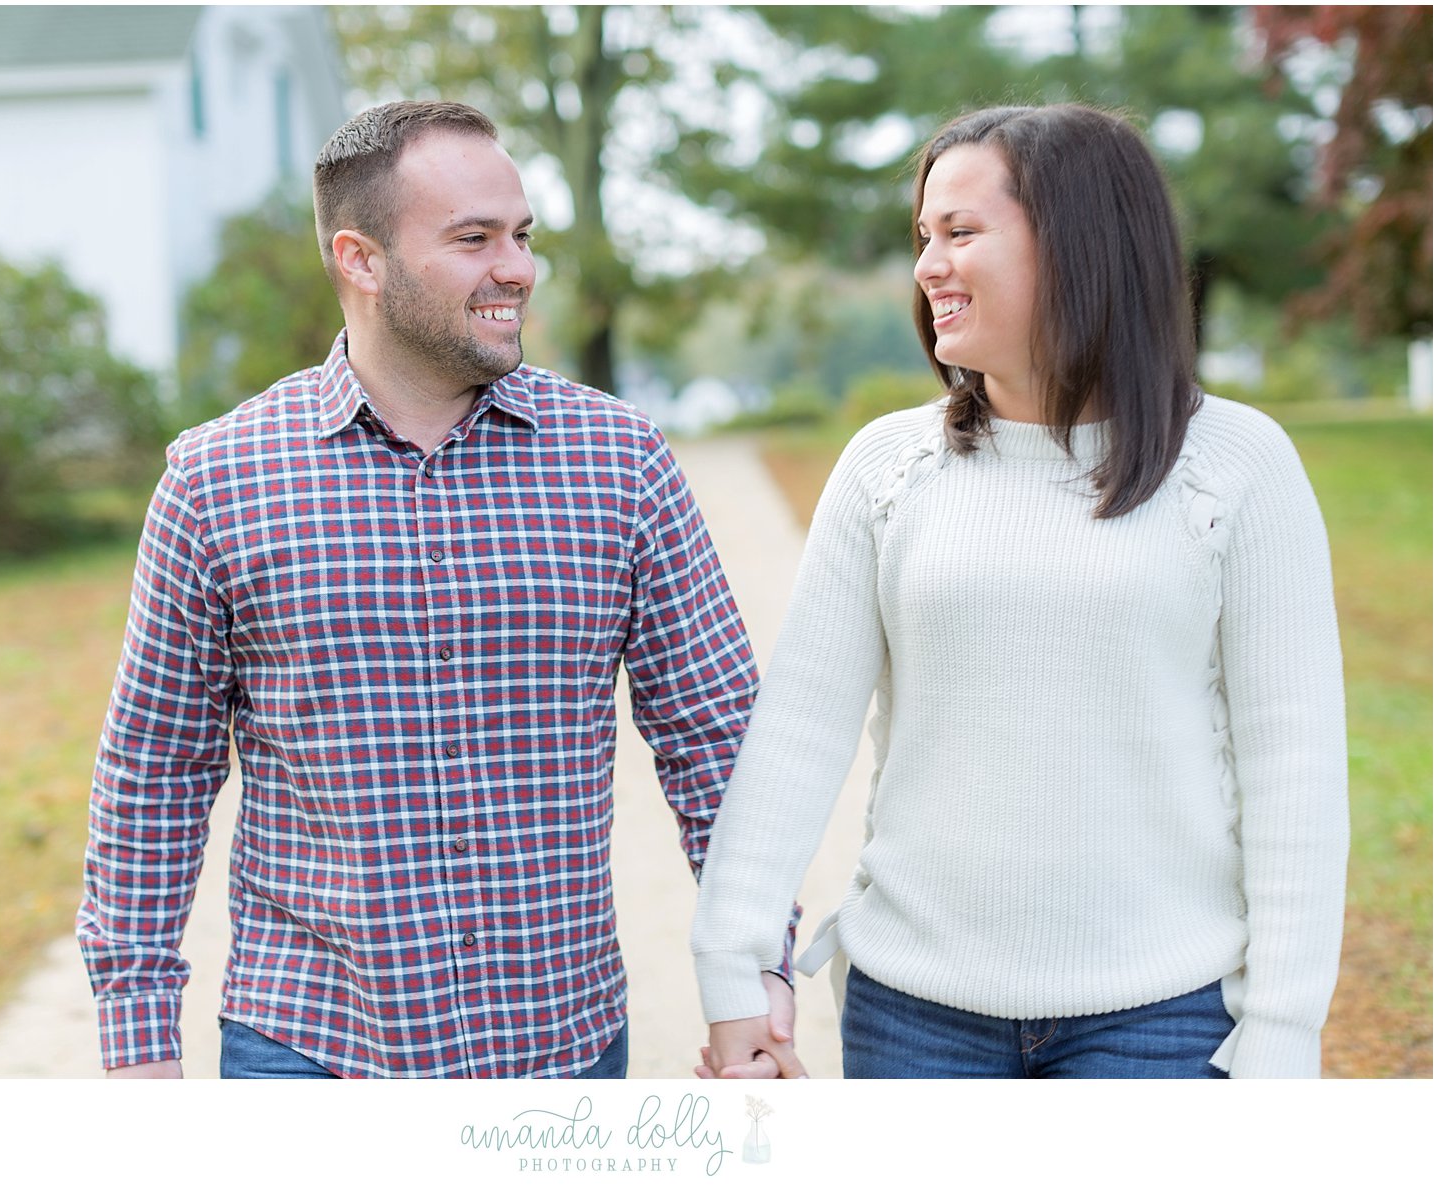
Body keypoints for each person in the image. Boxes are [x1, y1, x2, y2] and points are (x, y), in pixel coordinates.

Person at [77, 100, 794, 1079]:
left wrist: (752, 980)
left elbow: (716, 741)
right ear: (360, 260)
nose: (518, 269)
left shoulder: (620, 463)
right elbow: (154, 770)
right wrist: (137, 1040)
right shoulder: (217, 482)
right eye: (474, 239)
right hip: (308, 1049)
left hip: (557, 1053)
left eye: (522, 235)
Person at [690, 103, 1349, 1079]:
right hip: (913, 1020)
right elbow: (798, 731)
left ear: (1082, 246)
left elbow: (1292, 765)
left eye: (960, 234)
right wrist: (736, 965)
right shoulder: (886, 468)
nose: (926, 267)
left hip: (1161, 1025)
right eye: (923, 237)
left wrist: (1284, 1033)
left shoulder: (1236, 466)